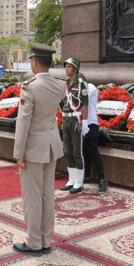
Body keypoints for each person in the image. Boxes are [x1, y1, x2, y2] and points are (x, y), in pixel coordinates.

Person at [12, 43, 65, 257]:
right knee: (47, 196)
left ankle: (34, 242)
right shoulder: (59, 85)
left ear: (34, 61)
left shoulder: (30, 86)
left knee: (32, 197)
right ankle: (45, 240)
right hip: (51, 146)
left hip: (34, 148)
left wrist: (18, 153)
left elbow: (23, 123)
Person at [59, 58, 88, 194]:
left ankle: (79, 183)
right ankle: (71, 179)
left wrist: (85, 121)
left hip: (76, 120)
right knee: (68, 151)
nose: (67, 69)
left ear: (76, 69)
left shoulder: (81, 84)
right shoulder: (64, 84)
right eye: (66, 67)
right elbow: (60, 102)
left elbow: (85, 104)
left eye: (69, 67)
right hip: (66, 120)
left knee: (77, 152)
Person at [80, 74, 108, 193]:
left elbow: (83, 100)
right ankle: (86, 175)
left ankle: (102, 179)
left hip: (91, 124)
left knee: (93, 152)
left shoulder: (90, 87)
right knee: (83, 151)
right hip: (80, 124)